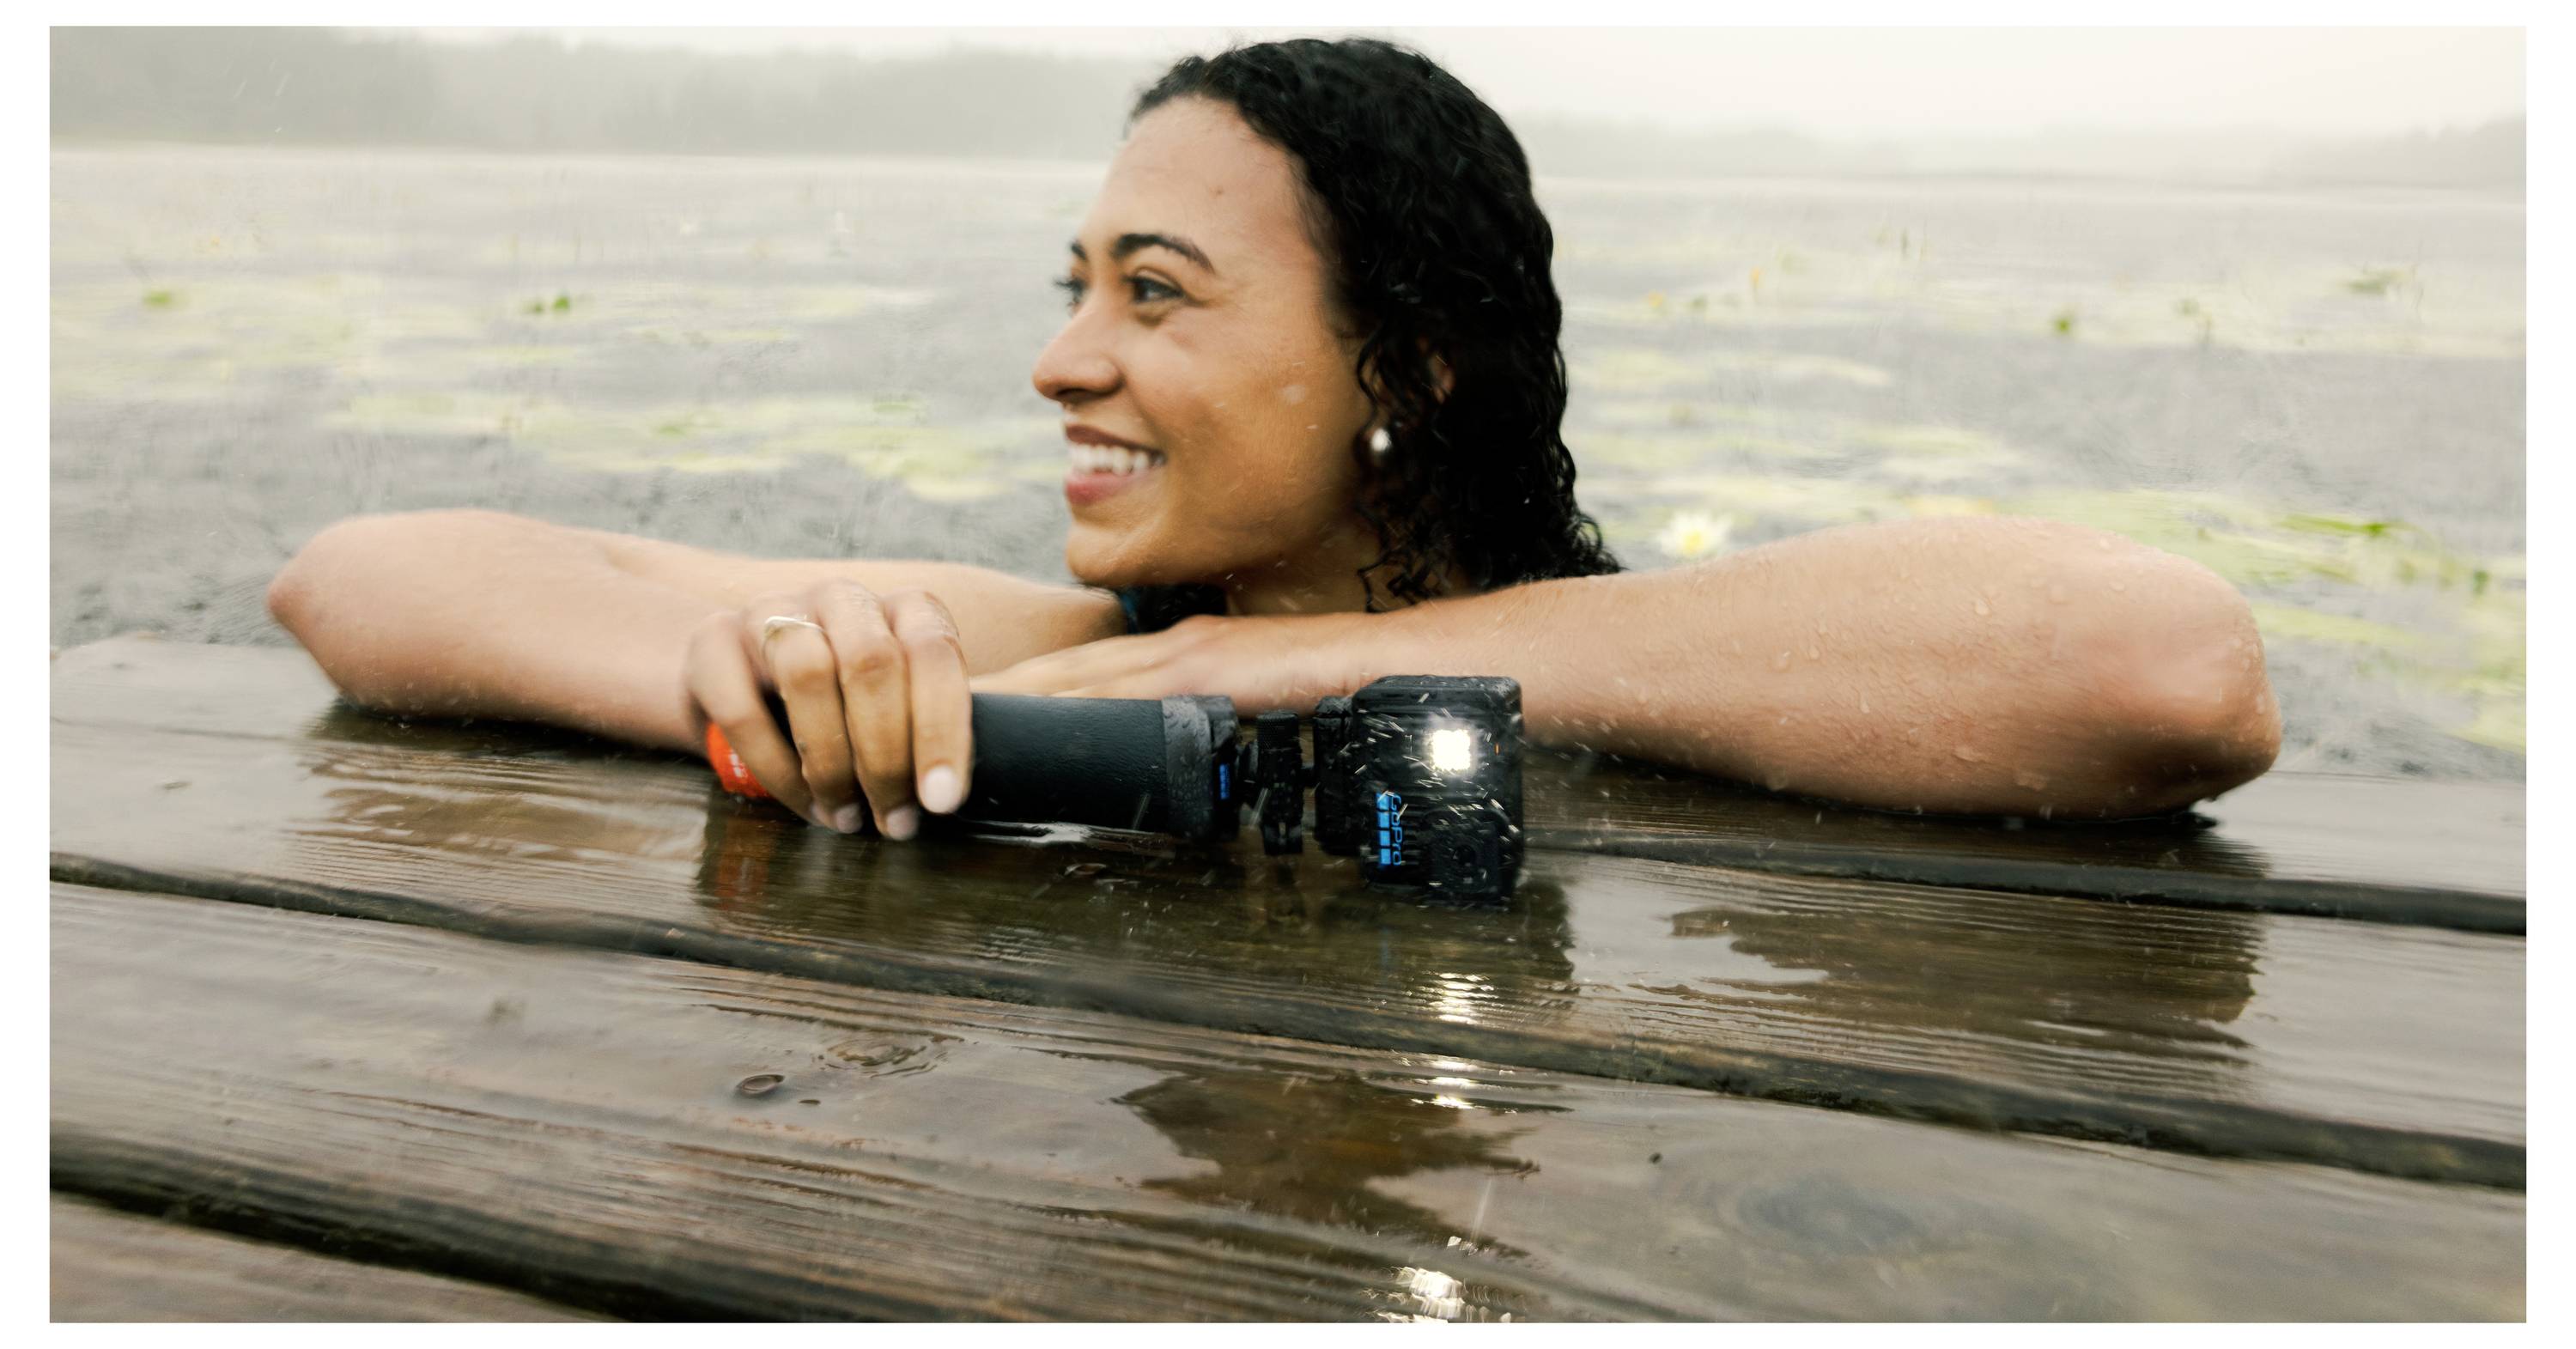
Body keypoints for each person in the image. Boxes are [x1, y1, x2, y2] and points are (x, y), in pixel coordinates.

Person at [266, 38, 2281, 839]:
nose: (1061, 360)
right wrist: (751, 674)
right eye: (1073, 284)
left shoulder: (1669, 652)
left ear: (1403, 368)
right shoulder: (1080, 658)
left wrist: (1325, 662)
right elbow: (355, 580)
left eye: (1154, 293)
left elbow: (2162, 670)